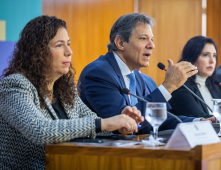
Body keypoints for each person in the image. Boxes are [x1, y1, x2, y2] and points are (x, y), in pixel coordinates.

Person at [0, 15, 142, 170]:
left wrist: (120, 125)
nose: (69, 51)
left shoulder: (65, 89)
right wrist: (105, 123)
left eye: (68, 44)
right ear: (37, 51)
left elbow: (93, 125)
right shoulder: (15, 85)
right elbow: (39, 130)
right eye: (59, 45)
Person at [79, 13, 207, 135]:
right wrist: (168, 86)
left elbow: (156, 121)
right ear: (120, 43)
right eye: (143, 38)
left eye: (152, 39)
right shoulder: (98, 73)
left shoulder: (141, 78)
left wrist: (198, 122)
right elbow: (121, 123)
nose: (152, 45)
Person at [169, 36, 221, 119]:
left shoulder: (213, 85)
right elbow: (201, 117)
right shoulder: (181, 87)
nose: (212, 61)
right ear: (191, 57)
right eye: (206, 55)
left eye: (214, 56)